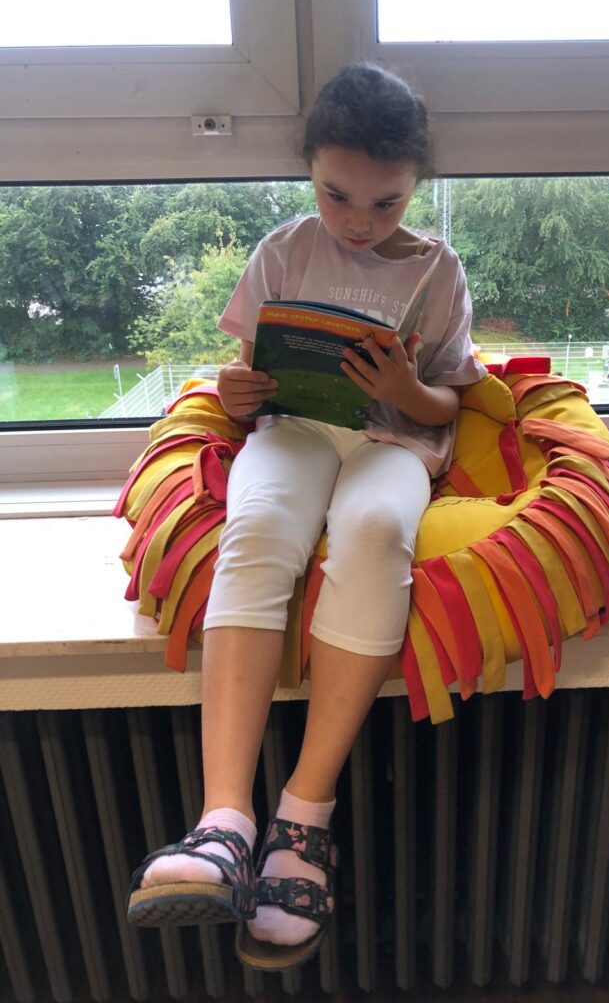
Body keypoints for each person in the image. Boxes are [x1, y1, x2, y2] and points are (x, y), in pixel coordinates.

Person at [126, 62, 486, 970]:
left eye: (386, 202)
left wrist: (406, 386)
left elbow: (450, 400)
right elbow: (249, 378)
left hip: (392, 438)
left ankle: (304, 817)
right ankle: (222, 821)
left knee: (374, 533)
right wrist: (238, 393)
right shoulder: (283, 250)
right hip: (293, 426)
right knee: (255, 531)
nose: (359, 221)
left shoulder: (437, 269)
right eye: (336, 195)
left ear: (416, 183)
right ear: (309, 170)